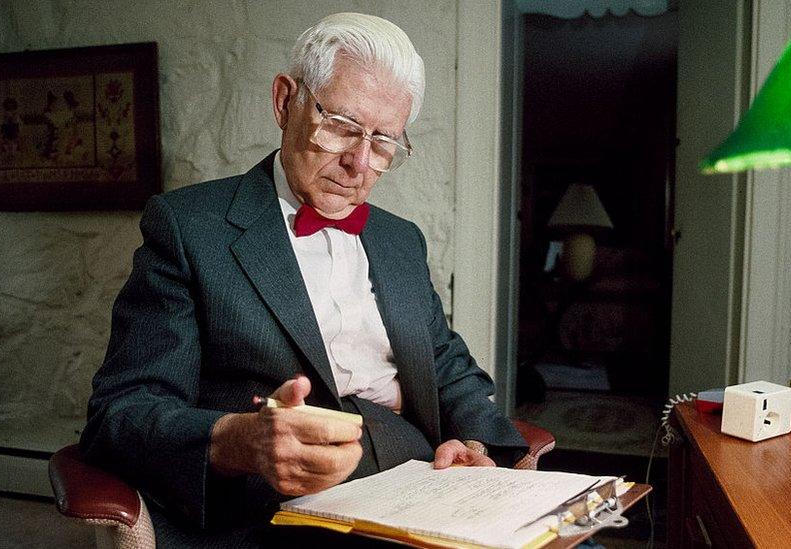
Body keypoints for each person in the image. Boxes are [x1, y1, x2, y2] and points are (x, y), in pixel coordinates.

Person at [80, 12, 527, 547]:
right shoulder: (187, 228)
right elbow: (120, 414)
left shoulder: (400, 240)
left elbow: (448, 366)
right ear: (284, 101)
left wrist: (478, 445)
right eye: (340, 125)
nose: (359, 163)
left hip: (422, 493)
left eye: (384, 142)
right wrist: (234, 442)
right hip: (271, 516)